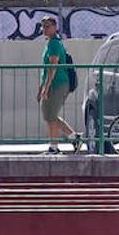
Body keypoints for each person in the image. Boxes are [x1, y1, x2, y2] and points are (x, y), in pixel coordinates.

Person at [36, 16, 81, 155]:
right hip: (51, 84)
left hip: (58, 83)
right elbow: (46, 69)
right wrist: (41, 88)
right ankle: (74, 137)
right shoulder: (50, 43)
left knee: (51, 115)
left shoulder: (55, 44)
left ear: (55, 27)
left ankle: (54, 146)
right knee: (49, 115)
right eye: (43, 26)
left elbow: (53, 66)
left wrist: (46, 87)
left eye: (48, 26)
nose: (45, 29)